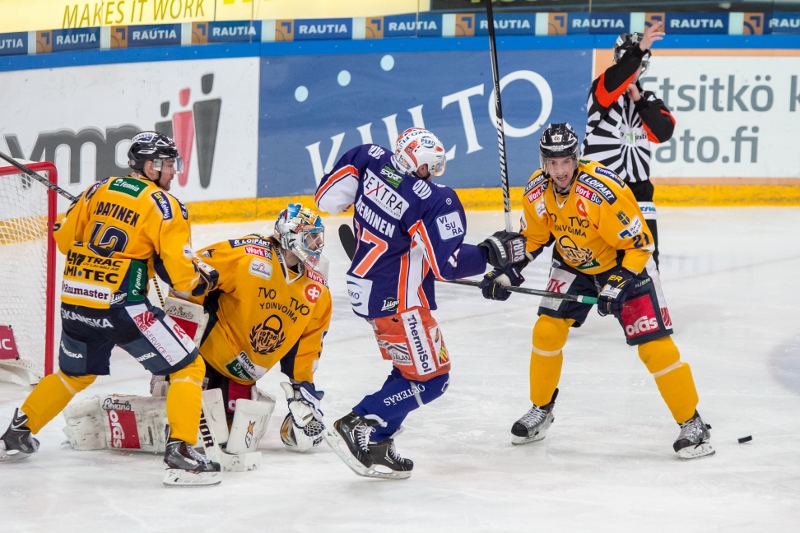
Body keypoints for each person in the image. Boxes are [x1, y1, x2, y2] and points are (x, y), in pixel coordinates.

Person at [0, 132, 223, 485]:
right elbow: (182, 277)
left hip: (76, 301)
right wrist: (203, 280)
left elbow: (62, 240)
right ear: (150, 166)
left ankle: (18, 431)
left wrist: (74, 223)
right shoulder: (165, 205)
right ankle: (181, 450)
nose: (172, 171)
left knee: (74, 374)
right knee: (188, 365)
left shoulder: (96, 189)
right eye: (167, 164)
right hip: (121, 307)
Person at [480, 123, 713, 459]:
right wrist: (506, 273)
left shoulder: (602, 191)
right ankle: (541, 410)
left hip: (625, 265)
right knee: (546, 330)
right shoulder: (536, 190)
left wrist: (618, 282)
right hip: (574, 263)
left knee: (654, 350)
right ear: (543, 161)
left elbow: (641, 244)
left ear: (576, 159)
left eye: (565, 162)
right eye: (552, 162)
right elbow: (534, 239)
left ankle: (693, 423)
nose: (559, 171)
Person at [315, 127, 525, 478]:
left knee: (407, 372)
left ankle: (380, 441)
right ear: (419, 165)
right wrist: (492, 253)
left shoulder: (368, 157)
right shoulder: (431, 199)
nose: (433, 173)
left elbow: (327, 201)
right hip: (400, 303)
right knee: (432, 381)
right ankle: (358, 420)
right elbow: (448, 264)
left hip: (365, 290)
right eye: (429, 167)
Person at [192, 203, 332, 453]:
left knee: (230, 438)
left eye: (318, 239)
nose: (317, 245)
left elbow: (307, 347)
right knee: (191, 430)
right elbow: (194, 272)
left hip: (243, 376)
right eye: (311, 238)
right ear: (291, 235)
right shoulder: (248, 255)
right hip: (204, 359)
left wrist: (303, 391)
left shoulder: (317, 291)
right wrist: (179, 338)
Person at [582, 21, 673, 267]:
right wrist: (641, 47)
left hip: (639, 191)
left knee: (646, 259)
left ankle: (646, 303)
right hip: (601, 187)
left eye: (641, 64)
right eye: (632, 62)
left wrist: (641, 101)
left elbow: (663, 132)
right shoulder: (602, 90)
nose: (635, 69)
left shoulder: (649, 100)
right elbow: (617, 78)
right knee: (596, 257)